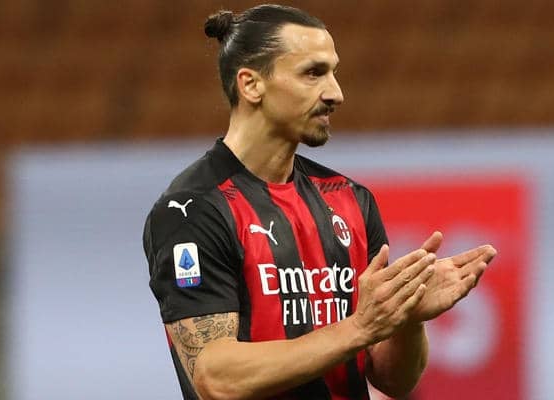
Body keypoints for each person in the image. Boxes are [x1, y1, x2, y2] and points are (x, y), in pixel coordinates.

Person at [142, 4, 497, 399]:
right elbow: (215, 379)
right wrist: (359, 328)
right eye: (313, 73)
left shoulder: (350, 200)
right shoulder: (193, 210)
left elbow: (392, 380)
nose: (335, 94)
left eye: (333, 72)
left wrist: (408, 317)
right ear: (251, 85)